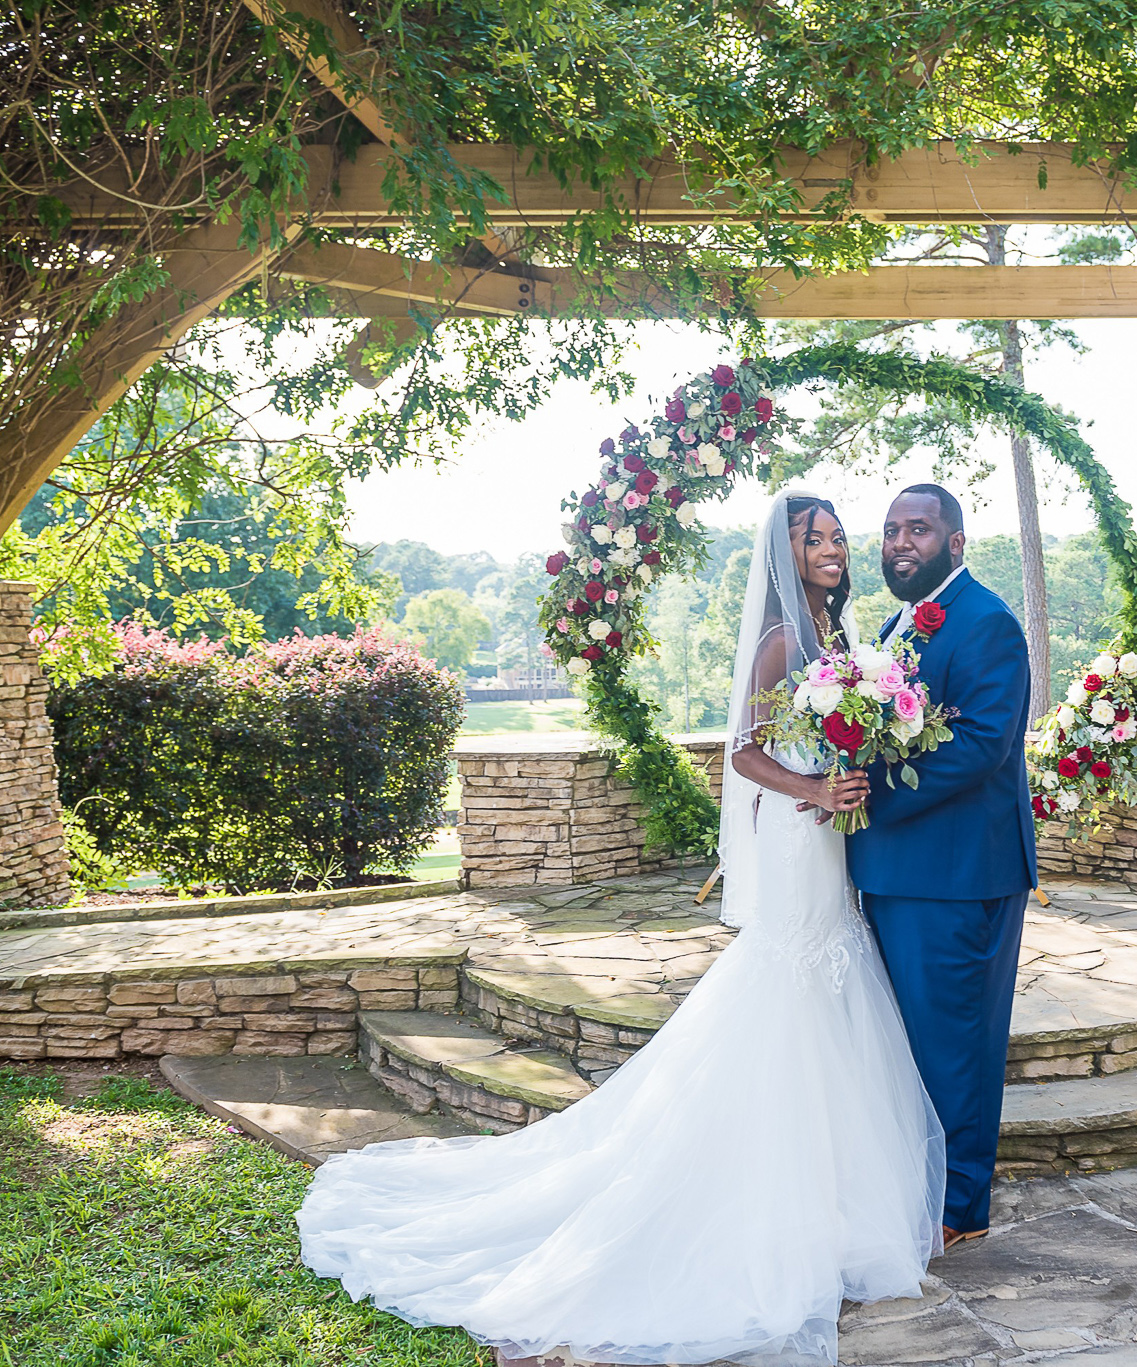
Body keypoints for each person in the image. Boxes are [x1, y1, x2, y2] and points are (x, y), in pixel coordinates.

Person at [296, 491, 945, 1366]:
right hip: (799, 837)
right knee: (788, 991)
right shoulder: (780, 640)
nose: (832, 549)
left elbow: (832, 731)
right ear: (784, 554)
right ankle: (756, 1196)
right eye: (813, 538)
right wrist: (816, 788)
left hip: (829, 843)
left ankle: (831, 1200)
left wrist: (852, 766)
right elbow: (744, 751)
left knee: (830, 992)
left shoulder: (836, 633)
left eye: (836, 537)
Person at [846, 483, 1039, 1248]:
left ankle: (959, 1208)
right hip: (897, 872)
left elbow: (983, 743)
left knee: (956, 1045)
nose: (901, 542)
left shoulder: (987, 622)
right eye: (892, 529)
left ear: (955, 541)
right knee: (910, 1049)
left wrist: (871, 794)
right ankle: (917, 1187)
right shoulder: (897, 624)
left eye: (919, 529)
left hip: (958, 878)